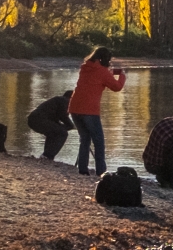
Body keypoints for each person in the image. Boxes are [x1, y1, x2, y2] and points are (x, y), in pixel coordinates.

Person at [67, 48, 125, 176]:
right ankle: (101, 172)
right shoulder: (102, 72)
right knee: (98, 142)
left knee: (85, 139)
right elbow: (117, 87)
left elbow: (102, 73)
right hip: (89, 110)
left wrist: (114, 72)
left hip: (74, 107)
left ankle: (83, 169)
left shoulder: (85, 68)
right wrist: (122, 76)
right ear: (105, 59)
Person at [26, 88, 75, 161]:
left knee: (53, 133)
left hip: (33, 120)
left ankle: (46, 156)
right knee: (63, 133)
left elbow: (58, 119)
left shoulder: (57, 101)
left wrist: (69, 126)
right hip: (39, 120)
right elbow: (63, 116)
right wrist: (72, 125)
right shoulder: (65, 101)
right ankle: (47, 156)